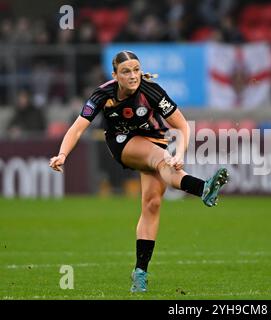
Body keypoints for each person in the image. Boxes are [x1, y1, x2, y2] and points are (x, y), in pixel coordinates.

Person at [48, 50, 229, 292]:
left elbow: (182, 125)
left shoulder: (151, 90)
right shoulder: (103, 94)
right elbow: (78, 127)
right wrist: (62, 154)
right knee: (159, 160)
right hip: (122, 142)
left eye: (136, 70)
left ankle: (140, 272)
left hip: (155, 140)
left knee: (152, 203)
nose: (133, 76)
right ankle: (202, 188)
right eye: (126, 71)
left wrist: (180, 154)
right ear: (115, 75)